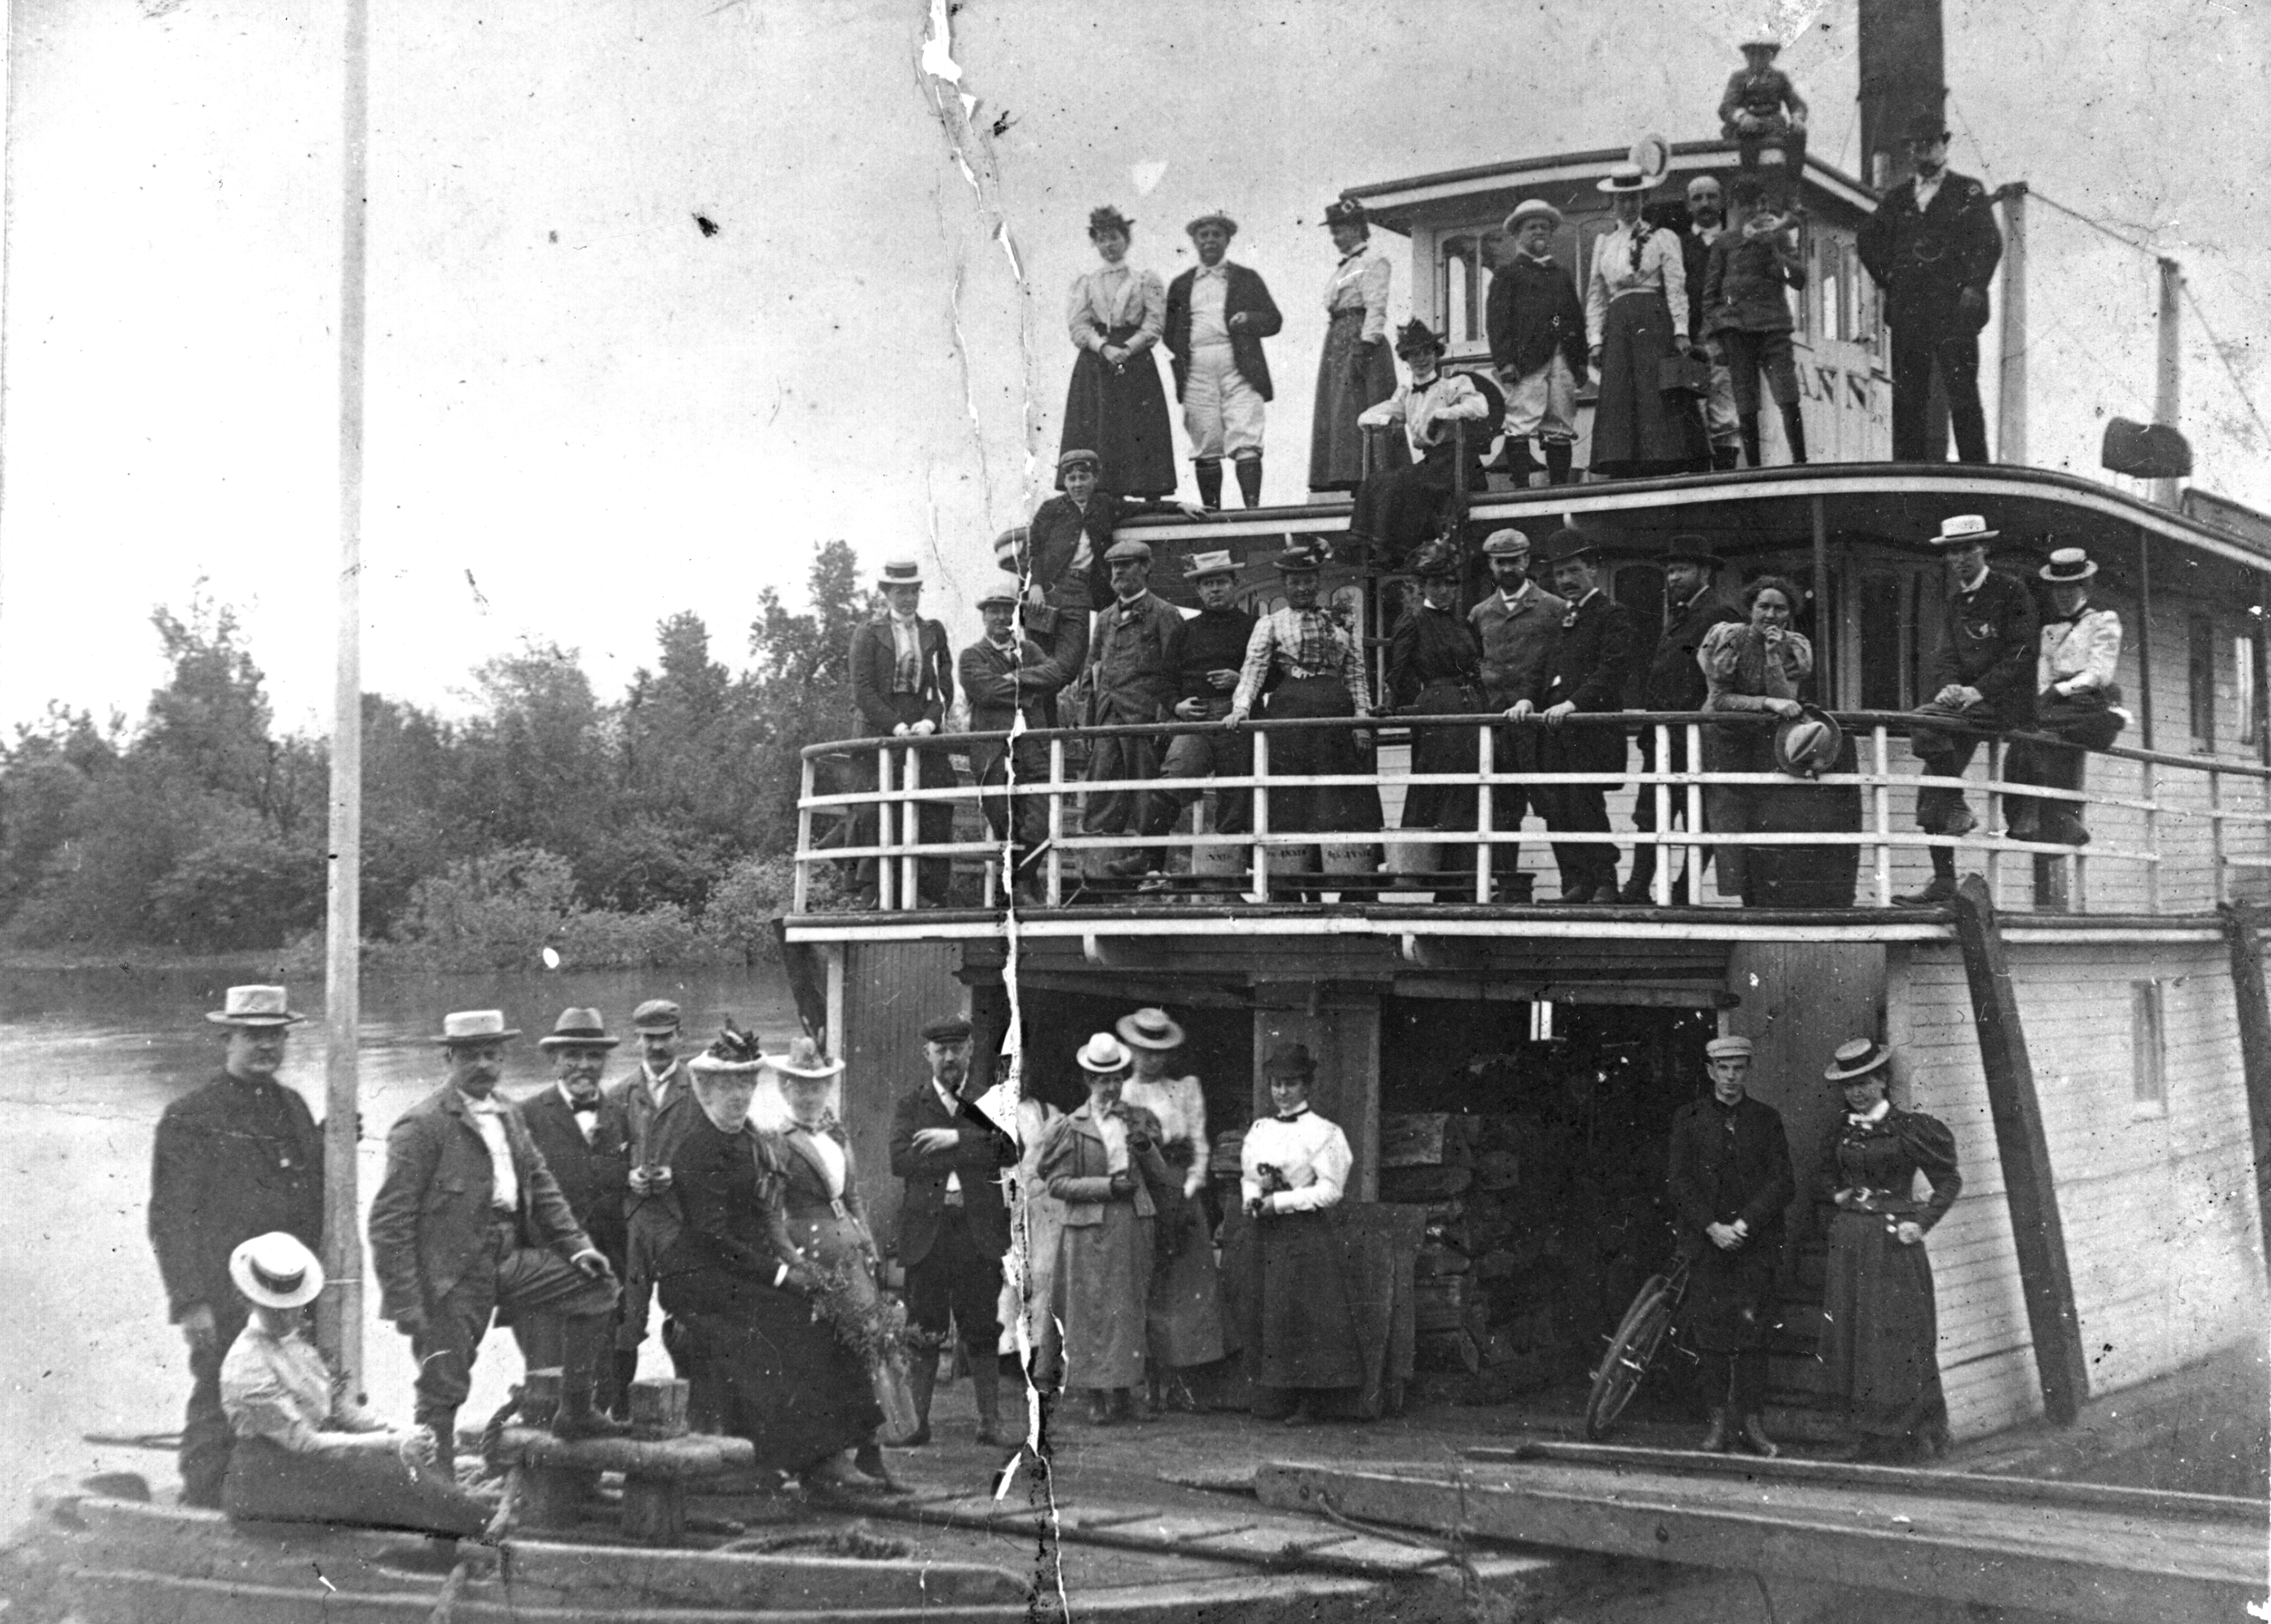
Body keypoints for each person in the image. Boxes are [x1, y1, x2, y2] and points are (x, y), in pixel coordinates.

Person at [367, 1010, 625, 1475]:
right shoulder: (421, 1126)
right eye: (471, 1055)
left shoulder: (509, 1114)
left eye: (492, 1054)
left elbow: (542, 1187)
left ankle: (576, 1410)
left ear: (504, 1057)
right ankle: (439, 1504)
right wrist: (406, 1302)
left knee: (598, 1288)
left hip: (509, 1258)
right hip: (453, 1273)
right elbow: (390, 1223)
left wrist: (579, 1248)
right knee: (442, 1390)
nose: (484, 1065)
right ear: (449, 1058)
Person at [659, 1024, 891, 1496]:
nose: (740, 1094)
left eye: (747, 1083)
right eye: (729, 1085)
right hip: (698, 1275)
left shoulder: (748, 1140)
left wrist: (794, 1270)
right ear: (705, 1089)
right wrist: (785, 1275)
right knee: (786, 1322)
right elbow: (714, 1237)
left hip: (740, 1269)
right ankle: (805, 1459)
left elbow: (765, 1217)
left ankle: (851, 1451)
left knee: (826, 1317)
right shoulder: (695, 1148)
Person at [148, 984, 324, 1507]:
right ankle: (200, 1504)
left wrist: (328, 1142)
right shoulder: (191, 1114)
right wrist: (190, 1301)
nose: (266, 1046)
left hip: (287, 1286)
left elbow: (301, 1183)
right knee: (217, 1395)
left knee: (287, 1389)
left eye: (275, 1036)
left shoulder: (291, 1106)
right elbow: (170, 1217)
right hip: (226, 1289)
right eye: (254, 1036)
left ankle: (268, 1496)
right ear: (228, 1038)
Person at [217, 1232, 490, 1538]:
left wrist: (401, 1432)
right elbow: (305, 1443)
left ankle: (469, 1529)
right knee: (389, 1475)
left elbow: (342, 1412)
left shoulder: (297, 1348)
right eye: (275, 1308)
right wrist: (391, 1444)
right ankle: (480, 1529)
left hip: (305, 1472)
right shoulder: (246, 1363)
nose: (289, 1316)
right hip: (267, 1490)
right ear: (248, 1301)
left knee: (399, 1468)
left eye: (293, 1306)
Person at [761, 1036, 919, 1484]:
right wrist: (792, 1262)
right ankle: (827, 1458)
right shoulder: (777, 1140)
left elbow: (853, 1198)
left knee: (873, 1347)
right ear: (785, 1088)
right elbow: (772, 1213)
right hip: (812, 1255)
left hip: (850, 1256)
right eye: (801, 1087)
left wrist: (868, 1243)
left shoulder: (835, 1133)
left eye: (819, 1087)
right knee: (827, 1353)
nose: (811, 1096)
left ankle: (873, 1453)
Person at [1815, 1037, 1962, 1463]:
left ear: (1882, 1081)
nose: (1858, 1093)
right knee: (1853, 1336)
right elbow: (1825, 1174)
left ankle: (1913, 1433)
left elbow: (1948, 1182)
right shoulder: (1842, 1130)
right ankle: (1865, 1433)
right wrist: (1840, 1196)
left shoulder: (1909, 1129)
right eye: (1850, 1086)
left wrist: (1922, 1222)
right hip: (1850, 1244)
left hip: (1892, 1244)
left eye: (1865, 1082)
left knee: (1897, 1338)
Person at [888, 1015, 1020, 1447]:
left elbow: (1007, 1149)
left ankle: (990, 1422)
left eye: (956, 1049)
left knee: (982, 1328)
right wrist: (972, 1148)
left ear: (970, 1052)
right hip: (928, 1232)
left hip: (976, 1231)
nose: (949, 1058)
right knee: (924, 1329)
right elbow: (902, 1160)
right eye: (940, 1050)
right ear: (928, 1055)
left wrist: (950, 1141)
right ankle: (916, 1423)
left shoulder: (989, 1100)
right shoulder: (911, 1105)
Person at [1664, 1037, 1796, 1457]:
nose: (1731, 1077)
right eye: (1723, 1068)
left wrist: (1744, 1224)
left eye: (1738, 1068)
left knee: (1754, 1335)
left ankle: (1752, 1425)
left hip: (1754, 1245)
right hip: (1708, 1245)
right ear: (1709, 1071)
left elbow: (1782, 1182)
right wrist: (1711, 1226)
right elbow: (1678, 1182)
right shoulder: (1689, 1118)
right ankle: (1717, 1424)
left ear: (1748, 1070)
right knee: (1711, 1336)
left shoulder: (1766, 1119)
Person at [1897, 515, 2038, 904]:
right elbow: (1946, 657)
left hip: (2005, 703)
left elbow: (2022, 654)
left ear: (1984, 549)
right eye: (1952, 551)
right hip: (1968, 705)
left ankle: (1957, 805)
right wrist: (1950, 688)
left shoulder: (2011, 591)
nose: (1959, 558)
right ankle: (1944, 879)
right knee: (1933, 782)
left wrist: (1977, 691)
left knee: (1927, 726)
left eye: (1966, 549)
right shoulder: (1957, 601)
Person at [1039, 1033, 1174, 1426]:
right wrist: (1106, 1187)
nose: (1111, 1086)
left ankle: (1124, 1391)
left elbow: (1161, 1177)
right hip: (1087, 1227)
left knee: (1127, 1310)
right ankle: (1096, 1395)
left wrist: (1145, 1146)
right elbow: (1057, 1184)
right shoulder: (1071, 1126)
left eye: (1116, 1076)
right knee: (1089, 1312)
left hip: (1131, 1223)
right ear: (1088, 1080)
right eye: (1102, 1078)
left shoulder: (1137, 1118)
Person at [1856, 113, 2004, 465]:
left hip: (1955, 310)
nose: (1925, 152)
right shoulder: (1897, 200)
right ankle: (1908, 469)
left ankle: (1976, 468)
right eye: (1918, 146)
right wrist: (1889, 279)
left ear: (1944, 146)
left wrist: (1975, 286)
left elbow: (1989, 243)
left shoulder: (1968, 191)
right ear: (1910, 152)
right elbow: (1868, 241)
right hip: (1910, 312)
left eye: (1932, 144)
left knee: (1963, 391)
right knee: (1909, 395)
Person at [1229, 541, 1384, 869]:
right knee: (1292, 797)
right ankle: (1291, 878)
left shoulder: (1340, 622)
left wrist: (1361, 718)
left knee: (1340, 796)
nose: (1303, 587)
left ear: (1318, 581)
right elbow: (1253, 669)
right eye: (1295, 581)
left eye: (1309, 579)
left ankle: (1350, 877)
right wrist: (1241, 707)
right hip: (1292, 713)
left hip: (1336, 714)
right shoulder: (1271, 623)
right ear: (1284, 584)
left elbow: (1356, 674)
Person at [516, 1008, 636, 1417]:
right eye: (572, 1055)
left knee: (600, 1382)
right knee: (548, 1380)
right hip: (549, 1274)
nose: (583, 1065)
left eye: (593, 1056)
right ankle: (547, 1479)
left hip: (608, 1274)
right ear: (554, 1061)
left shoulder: (620, 1115)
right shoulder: (527, 1116)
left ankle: (590, 1477)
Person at [1238, 1041, 1361, 1425]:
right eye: (1276, 1083)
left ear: (1308, 1086)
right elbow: (1249, 1175)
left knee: (1307, 1313)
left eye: (1291, 1083)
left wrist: (1283, 1202)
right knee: (1271, 1311)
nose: (1282, 1091)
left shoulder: (1325, 1133)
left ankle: (1312, 1401)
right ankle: (1277, 1395)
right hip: (1268, 1234)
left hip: (1306, 1233)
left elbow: (1331, 1191)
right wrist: (1254, 1198)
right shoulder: (1261, 1129)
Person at [1117, 1008, 1226, 1414]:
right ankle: (1144, 1381)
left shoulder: (1184, 1090)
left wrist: (1190, 1188)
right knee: (1145, 1288)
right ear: (1131, 1050)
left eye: (1159, 1051)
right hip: (1141, 1198)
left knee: (1185, 1292)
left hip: (1182, 1195)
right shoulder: (1122, 1095)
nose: (1151, 1059)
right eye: (1143, 1050)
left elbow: (1199, 1144)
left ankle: (1181, 1383)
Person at [1623, 539, 1743, 902]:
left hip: (1695, 737)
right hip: (1662, 736)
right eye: (1670, 571)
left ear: (1704, 573)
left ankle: (1683, 890)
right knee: (1650, 815)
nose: (1673, 578)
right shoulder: (1679, 615)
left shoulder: (1720, 616)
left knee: (1697, 818)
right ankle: (1638, 888)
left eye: (1682, 570)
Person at [1536, 532, 1643, 904]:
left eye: (1573, 571)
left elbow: (1613, 670)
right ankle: (1575, 882)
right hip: (1556, 731)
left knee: (1585, 806)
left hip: (1588, 729)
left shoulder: (1612, 614)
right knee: (1558, 807)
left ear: (1593, 570)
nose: (1565, 580)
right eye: (1559, 573)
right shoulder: (1564, 617)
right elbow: (1549, 669)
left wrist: (1573, 705)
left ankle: (1604, 882)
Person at [1588, 162, 1710, 479]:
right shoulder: (1605, 243)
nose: (1628, 205)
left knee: (1655, 388)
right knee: (1621, 391)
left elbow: (1676, 285)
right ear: (1613, 202)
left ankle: (1665, 459)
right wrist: (1595, 340)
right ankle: (1622, 462)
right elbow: (1596, 295)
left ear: (1643, 200)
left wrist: (1681, 330)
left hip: (1653, 319)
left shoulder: (1663, 237)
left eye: (1634, 198)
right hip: (1618, 322)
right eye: (1622, 199)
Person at [1699, 575, 1815, 902]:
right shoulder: (1729, 638)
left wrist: (1773, 656)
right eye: (1763, 606)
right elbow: (1720, 700)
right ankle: (1720, 893)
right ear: (1750, 609)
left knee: (1769, 815)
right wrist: (1767, 703)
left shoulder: (1794, 646)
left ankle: (1761, 896)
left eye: (1780, 609)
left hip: (1766, 740)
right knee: (1726, 816)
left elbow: (1786, 704)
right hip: (1724, 737)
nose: (1770, 615)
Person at [848, 556, 955, 907]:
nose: (908, 599)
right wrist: (895, 725)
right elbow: (862, 690)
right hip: (880, 724)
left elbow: (943, 688)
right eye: (900, 592)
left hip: (921, 725)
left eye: (913, 591)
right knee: (875, 806)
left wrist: (929, 722)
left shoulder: (933, 631)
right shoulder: (868, 633)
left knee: (939, 792)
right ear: (887, 593)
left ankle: (928, 889)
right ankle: (874, 891)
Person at [1138, 550, 1256, 861]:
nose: (1215, 589)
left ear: (1235, 584)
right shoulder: (1186, 630)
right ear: (1199, 591)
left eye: (1221, 582)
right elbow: (1163, 680)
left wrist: (1240, 680)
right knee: (1173, 781)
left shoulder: (1254, 627)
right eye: (1208, 584)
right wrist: (1178, 706)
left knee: (1237, 794)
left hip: (1236, 719)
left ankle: (1227, 875)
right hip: (1196, 720)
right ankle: (1150, 864)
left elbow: (1271, 676)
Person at [2004, 548, 2126, 847]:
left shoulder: (2103, 622)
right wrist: (2041, 697)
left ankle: (2047, 816)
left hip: (2088, 700)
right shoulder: (2050, 630)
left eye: (2071, 587)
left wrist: (2059, 691)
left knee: (2035, 730)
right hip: (2056, 705)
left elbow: (2100, 673)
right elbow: (2043, 675)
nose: (2064, 595)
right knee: (2026, 730)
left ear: (2084, 587)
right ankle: (2029, 814)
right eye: (2059, 589)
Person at [1472, 527, 1569, 901]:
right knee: (1502, 811)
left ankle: (1573, 886)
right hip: (1499, 732)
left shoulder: (1554, 609)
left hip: (1544, 728)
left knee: (1557, 808)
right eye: (1501, 563)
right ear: (1491, 566)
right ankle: (1505, 888)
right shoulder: (1480, 614)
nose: (1508, 569)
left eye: (1515, 561)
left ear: (1527, 562)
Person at [1165, 211, 1283, 509]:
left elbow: (1274, 320)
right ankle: (1212, 513)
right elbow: (1169, 332)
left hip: (1239, 363)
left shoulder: (1246, 278)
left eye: (1216, 235)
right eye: (1203, 235)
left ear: (1227, 240)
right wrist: (1188, 349)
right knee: (1205, 437)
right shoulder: (1181, 285)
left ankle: (1252, 511)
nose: (1209, 241)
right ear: (1194, 241)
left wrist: (1250, 319)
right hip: (1197, 366)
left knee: (1245, 432)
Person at [1350, 322, 1492, 564]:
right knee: (1378, 482)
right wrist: (1369, 419)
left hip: (1457, 462)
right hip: (1431, 462)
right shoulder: (1407, 393)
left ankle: (1394, 551)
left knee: (1403, 483)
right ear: (1406, 359)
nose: (1421, 359)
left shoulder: (1453, 386)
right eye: (1414, 354)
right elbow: (1380, 412)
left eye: (1426, 352)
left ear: (1436, 354)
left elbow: (1479, 407)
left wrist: (1443, 415)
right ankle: (1374, 547)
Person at [1086, 537, 1186, 879]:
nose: (1119, 573)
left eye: (1127, 565)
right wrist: (1089, 724)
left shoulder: (1166, 614)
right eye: (1115, 567)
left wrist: (1167, 725)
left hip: (1145, 720)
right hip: (1106, 720)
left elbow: (1176, 675)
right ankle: (1100, 877)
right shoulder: (1104, 619)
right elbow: (1092, 671)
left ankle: (1150, 873)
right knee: (1102, 796)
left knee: (1148, 798)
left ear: (1146, 568)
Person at [1387, 540, 1487, 882]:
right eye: (1436, 584)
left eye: (1450, 583)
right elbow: (1397, 673)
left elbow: (1476, 666)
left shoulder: (1463, 623)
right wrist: (1398, 706)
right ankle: (1427, 873)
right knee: (1439, 786)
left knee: (1468, 789)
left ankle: (1462, 877)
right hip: (1437, 709)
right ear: (1423, 586)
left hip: (1470, 708)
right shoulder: (1414, 621)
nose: (1444, 591)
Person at [1062, 204, 1177, 501]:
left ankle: (1150, 494)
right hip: (1097, 363)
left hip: (1135, 361)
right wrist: (1104, 348)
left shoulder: (1144, 280)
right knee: (1101, 426)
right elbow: (1079, 326)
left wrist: (1128, 348)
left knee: (1140, 426)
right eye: (1102, 239)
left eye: (1114, 237)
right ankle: (1107, 496)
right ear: (1095, 243)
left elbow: (1154, 323)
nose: (1108, 245)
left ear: (1126, 239)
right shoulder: (1086, 283)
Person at [611, 998, 698, 1386]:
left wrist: (677, 1175)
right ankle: (620, 1410)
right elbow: (603, 1160)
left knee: (685, 1312)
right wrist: (627, 1176)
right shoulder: (619, 1093)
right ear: (637, 1040)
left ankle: (689, 1406)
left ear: (680, 1036)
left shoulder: (699, 1089)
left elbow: (714, 1154)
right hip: (635, 1221)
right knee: (627, 1316)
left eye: (665, 1037)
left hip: (682, 1217)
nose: (658, 1047)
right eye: (650, 1038)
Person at [962, 583, 1065, 905]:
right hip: (993, 753)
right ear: (984, 617)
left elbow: (1056, 672)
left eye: (1008, 610)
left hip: (1033, 748)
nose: (1002, 617)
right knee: (1005, 821)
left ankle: (1022, 882)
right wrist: (1027, 689)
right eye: (995, 611)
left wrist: (1015, 681)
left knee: (1042, 817)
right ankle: (1019, 887)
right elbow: (986, 692)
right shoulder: (971, 656)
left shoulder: (1031, 650)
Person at [1704, 176, 1809, 467]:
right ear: (1735, 207)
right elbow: (1710, 294)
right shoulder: (1724, 243)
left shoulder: (1778, 236)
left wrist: (1774, 247)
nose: (1757, 210)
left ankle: (1801, 463)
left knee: (1788, 398)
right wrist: (1717, 333)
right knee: (1746, 406)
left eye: (1761, 203)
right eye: (1750, 204)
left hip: (1774, 328)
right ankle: (1754, 469)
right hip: (1737, 333)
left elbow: (1798, 279)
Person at [1485, 199, 1589, 488]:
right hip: (1527, 361)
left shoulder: (1561, 275)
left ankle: (1558, 488)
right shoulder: (1508, 275)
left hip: (1562, 359)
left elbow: (1575, 319)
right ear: (1518, 235)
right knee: (1521, 419)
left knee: (1560, 422)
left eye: (1545, 227)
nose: (1539, 232)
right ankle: (1520, 486)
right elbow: (1498, 323)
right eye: (1532, 227)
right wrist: (1505, 361)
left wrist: (1579, 360)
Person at [1309, 197, 1406, 494]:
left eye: (1341, 231)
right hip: (1338, 340)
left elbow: (1376, 307)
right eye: (1334, 232)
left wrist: (1365, 345)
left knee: (1359, 403)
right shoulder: (1345, 267)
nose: (1336, 238)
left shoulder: (1373, 261)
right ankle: (1340, 475)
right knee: (1337, 407)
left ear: (1357, 228)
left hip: (1359, 339)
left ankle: (1367, 475)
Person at [1677, 176, 1744, 471]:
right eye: (1698, 198)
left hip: (1723, 340)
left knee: (1725, 413)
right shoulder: (1678, 246)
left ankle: (1726, 483)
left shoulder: (1736, 243)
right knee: (1691, 411)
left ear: (1723, 202)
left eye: (1711, 197)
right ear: (1688, 206)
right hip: (1688, 341)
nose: (1705, 204)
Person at [1717, 38, 1808, 178]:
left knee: (1798, 135)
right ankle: (1750, 180)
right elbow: (1726, 107)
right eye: (1753, 54)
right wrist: (1743, 117)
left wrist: (1797, 118)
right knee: (1749, 131)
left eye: (1763, 54)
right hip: (1745, 129)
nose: (1757, 59)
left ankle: (1793, 187)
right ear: (1747, 57)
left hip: (1774, 128)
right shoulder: (1739, 78)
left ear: (1771, 57)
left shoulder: (1779, 78)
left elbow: (1796, 104)